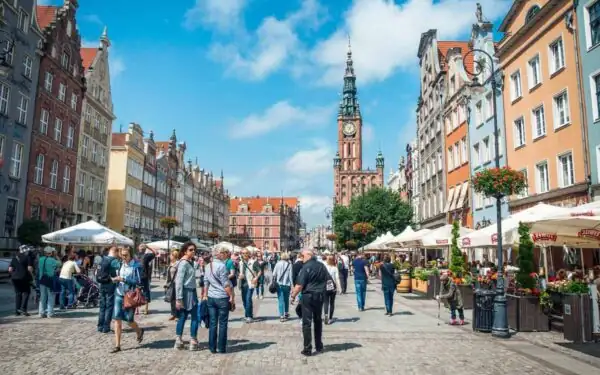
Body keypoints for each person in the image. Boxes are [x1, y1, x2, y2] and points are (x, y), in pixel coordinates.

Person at [290, 249, 329, 356]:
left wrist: (293, 296)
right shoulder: (321, 266)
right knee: (318, 321)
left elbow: (299, 285)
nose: (301, 258)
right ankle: (319, 345)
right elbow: (327, 279)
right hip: (320, 296)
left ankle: (307, 348)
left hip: (308, 296)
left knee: (307, 322)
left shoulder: (306, 267)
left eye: (302, 256)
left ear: (308, 256)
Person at [111, 247, 144, 353]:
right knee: (117, 318)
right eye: (122, 255)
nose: (124, 257)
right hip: (119, 294)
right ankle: (117, 345)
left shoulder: (136, 266)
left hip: (130, 295)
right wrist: (114, 279)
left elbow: (138, 281)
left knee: (129, 320)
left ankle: (139, 331)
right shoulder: (120, 264)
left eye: (126, 255)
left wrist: (124, 279)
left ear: (131, 254)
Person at [203, 246, 234, 354]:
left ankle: (212, 347)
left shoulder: (208, 266)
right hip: (222, 297)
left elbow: (205, 282)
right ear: (219, 254)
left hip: (211, 297)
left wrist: (205, 295)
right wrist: (231, 296)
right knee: (223, 323)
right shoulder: (222, 266)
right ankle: (221, 347)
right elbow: (225, 284)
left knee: (213, 323)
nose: (225, 255)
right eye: (223, 253)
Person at [173, 242, 199, 350]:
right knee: (193, 317)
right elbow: (178, 281)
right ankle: (191, 340)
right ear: (185, 251)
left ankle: (180, 340)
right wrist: (179, 298)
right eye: (191, 250)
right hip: (187, 292)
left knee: (184, 316)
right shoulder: (183, 263)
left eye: (194, 250)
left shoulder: (189, 262)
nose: (193, 251)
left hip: (191, 291)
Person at [97, 246, 120, 333]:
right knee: (109, 306)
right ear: (115, 252)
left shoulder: (102, 259)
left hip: (102, 284)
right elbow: (119, 270)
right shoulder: (114, 261)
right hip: (110, 284)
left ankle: (100, 326)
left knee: (102, 306)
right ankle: (106, 327)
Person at [9, 245, 34, 316]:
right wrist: (32, 275)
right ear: (25, 251)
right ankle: (23, 309)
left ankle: (17, 311)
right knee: (26, 292)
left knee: (18, 294)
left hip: (15, 278)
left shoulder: (15, 257)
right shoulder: (28, 257)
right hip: (24, 278)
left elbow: (10, 269)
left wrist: (15, 273)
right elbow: (30, 268)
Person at [238, 248, 260, 323]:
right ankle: (247, 314)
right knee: (244, 300)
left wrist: (256, 278)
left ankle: (249, 317)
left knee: (248, 299)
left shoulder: (253, 262)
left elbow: (260, 271)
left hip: (250, 283)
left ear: (249, 254)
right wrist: (239, 275)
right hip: (243, 284)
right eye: (243, 253)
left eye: (246, 253)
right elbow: (239, 272)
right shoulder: (240, 262)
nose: (244, 255)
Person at [37, 246, 60, 318]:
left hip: (41, 279)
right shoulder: (52, 260)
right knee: (51, 296)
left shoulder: (40, 259)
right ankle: (50, 313)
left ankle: (41, 312)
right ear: (52, 253)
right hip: (50, 280)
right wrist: (56, 256)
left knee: (42, 297)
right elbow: (60, 263)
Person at [272, 252, 293, 322]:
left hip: (279, 284)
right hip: (287, 285)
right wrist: (292, 285)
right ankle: (286, 313)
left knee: (280, 300)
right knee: (286, 299)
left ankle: (281, 316)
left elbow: (274, 274)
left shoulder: (278, 264)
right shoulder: (289, 265)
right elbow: (290, 276)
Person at [139, 244, 156, 315]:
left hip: (138, 276)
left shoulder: (137, 256)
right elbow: (155, 253)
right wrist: (149, 247)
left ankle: (137, 309)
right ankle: (146, 309)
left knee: (137, 291)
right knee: (146, 292)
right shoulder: (146, 256)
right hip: (144, 276)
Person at [323, 255, 341, 324]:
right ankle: (330, 318)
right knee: (332, 303)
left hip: (325, 287)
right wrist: (339, 288)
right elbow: (337, 278)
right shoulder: (335, 268)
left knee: (326, 302)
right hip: (333, 287)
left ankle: (326, 315)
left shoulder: (324, 267)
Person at [165, 249, 180, 321]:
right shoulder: (171, 263)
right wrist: (166, 284)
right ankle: (173, 314)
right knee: (171, 300)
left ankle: (177, 315)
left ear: (174, 256)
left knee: (176, 300)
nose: (169, 256)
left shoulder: (178, 264)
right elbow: (168, 275)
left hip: (176, 283)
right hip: (170, 283)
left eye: (171, 255)